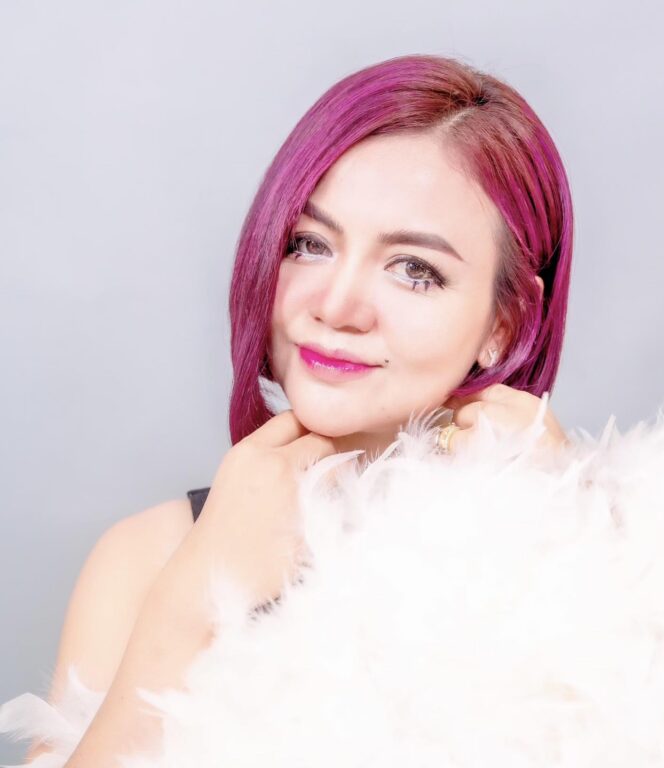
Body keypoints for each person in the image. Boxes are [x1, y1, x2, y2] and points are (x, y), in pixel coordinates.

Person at [10, 52, 575, 765]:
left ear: (505, 323)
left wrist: (566, 540)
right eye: (309, 244)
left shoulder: (602, 544)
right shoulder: (146, 558)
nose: (336, 306)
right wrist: (190, 604)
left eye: (415, 269)